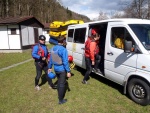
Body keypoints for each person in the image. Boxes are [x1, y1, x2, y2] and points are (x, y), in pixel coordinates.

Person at [48, 37, 71, 104]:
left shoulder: (52, 48)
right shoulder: (63, 49)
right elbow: (65, 62)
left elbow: (50, 60)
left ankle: (59, 95)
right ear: (63, 41)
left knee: (59, 82)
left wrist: (49, 67)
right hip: (62, 70)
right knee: (62, 84)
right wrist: (68, 71)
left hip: (56, 69)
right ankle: (61, 100)